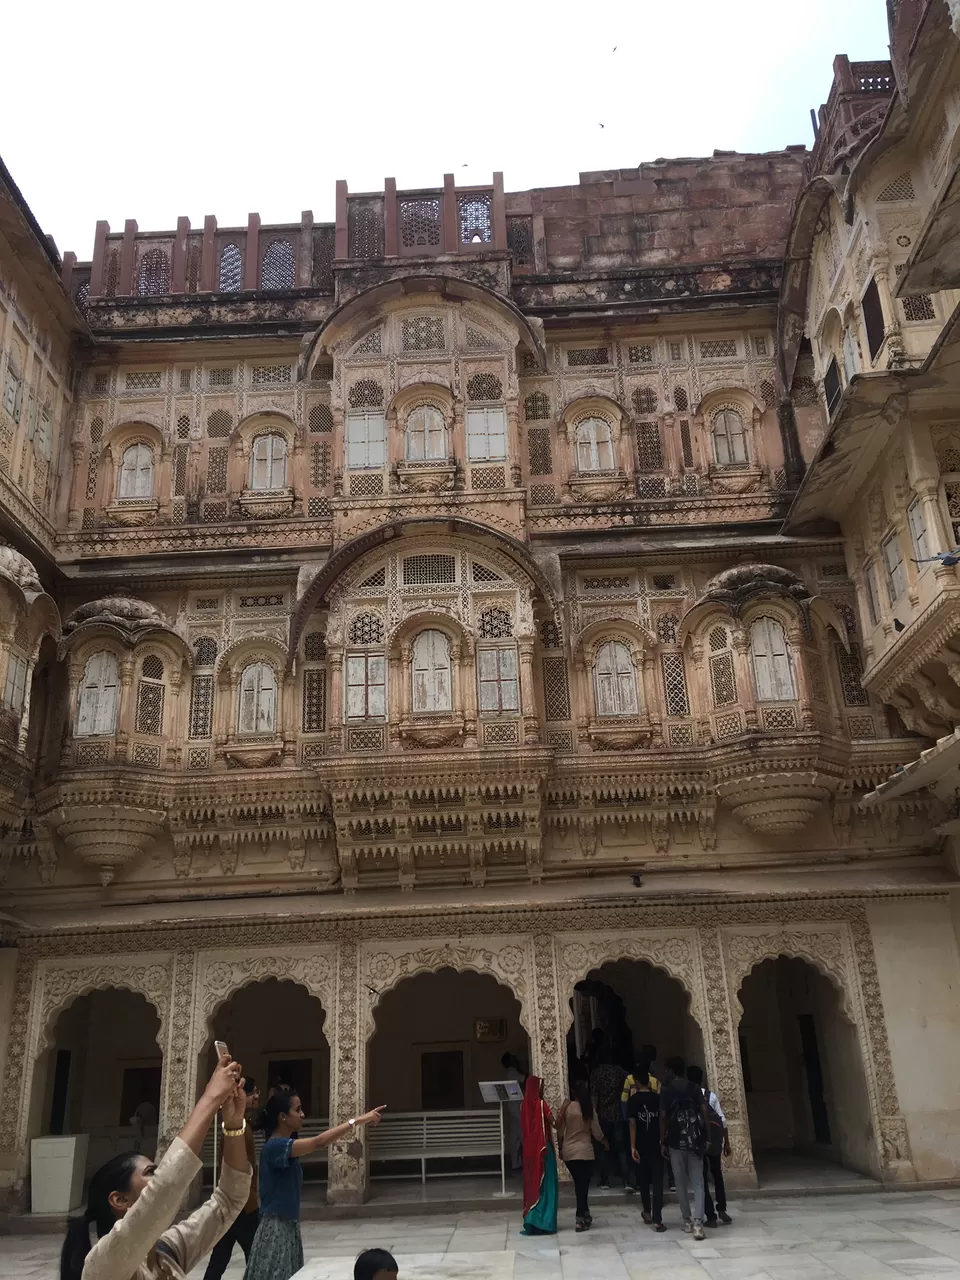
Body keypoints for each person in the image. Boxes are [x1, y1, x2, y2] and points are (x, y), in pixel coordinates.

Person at [60, 1054, 250, 1280]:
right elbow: (166, 1185)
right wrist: (211, 1096)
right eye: (150, 1172)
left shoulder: (166, 1253)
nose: (159, 1174)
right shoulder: (103, 1264)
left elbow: (229, 1199)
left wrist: (234, 1123)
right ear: (120, 1200)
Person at [244, 1093, 385, 1280]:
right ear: (282, 1117)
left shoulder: (285, 1146)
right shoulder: (275, 1147)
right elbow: (319, 1142)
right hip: (275, 1229)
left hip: (288, 1227)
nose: (302, 1114)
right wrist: (359, 1120)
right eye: (297, 1110)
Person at [202, 1077, 261, 1279]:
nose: (257, 1097)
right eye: (254, 1093)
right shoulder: (238, 1128)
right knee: (254, 1257)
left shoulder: (243, 1125)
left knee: (220, 1258)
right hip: (242, 1203)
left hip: (234, 1202)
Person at [659, 1055, 709, 1240]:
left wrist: (661, 1140)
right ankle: (698, 1223)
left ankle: (687, 1220)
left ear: (671, 1071)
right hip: (695, 1140)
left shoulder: (667, 1090)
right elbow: (704, 1111)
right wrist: (707, 1136)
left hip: (675, 1141)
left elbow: (663, 1116)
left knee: (680, 1182)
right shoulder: (694, 1088)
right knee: (698, 1183)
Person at [686, 1065, 732, 1227]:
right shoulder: (710, 1095)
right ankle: (722, 1208)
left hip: (699, 1141)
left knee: (701, 1178)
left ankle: (710, 1215)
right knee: (717, 1174)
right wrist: (726, 1142)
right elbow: (722, 1119)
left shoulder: (690, 1097)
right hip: (714, 1141)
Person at [557, 1078, 605, 1232]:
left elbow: (559, 1131)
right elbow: (597, 1132)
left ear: (573, 1092)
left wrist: (560, 1149)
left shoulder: (567, 1107)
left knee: (579, 1185)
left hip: (570, 1151)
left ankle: (584, 1214)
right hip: (586, 1152)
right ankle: (581, 1216)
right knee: (583, 1186)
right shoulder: (588, 1108)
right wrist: (605, 1142)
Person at [628, 1053, 666, 1232]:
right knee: (657, 1180)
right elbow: (662, 1121)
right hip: (656, 1144)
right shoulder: (657, 1099)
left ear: (636, 1082)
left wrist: (633, 1146)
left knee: (643, 1179)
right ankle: (658, 1218)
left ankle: (647, 1211)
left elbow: (633, 1123)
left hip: (642, 1145)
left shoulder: (633, 1100)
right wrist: (662, 1140)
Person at [589, 1051, 634, 1192]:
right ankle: (627, 1180)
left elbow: (594, 1095)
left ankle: (605, 1180)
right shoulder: (619, 1071)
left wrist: (593, 1114)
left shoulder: (596, 1073)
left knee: (603, 1148)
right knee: (621, 1149)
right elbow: (629, 1084)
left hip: (602, 1116)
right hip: (617, 1114)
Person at [520, 1076, 558, 1235]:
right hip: (543, 1150)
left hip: (529, 1151)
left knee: (532, 1184)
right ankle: (546, 1222)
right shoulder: (542, 1105)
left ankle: (532, 1220)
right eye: (541, 1087)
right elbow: (554, 1122)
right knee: (548, 1185)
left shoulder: (523, 1106)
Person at [501, 1051, 527, 1171]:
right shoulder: (512, 1072)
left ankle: (516, 1163)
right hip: (517, 1106)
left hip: (512, 1106)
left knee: (515, 1135)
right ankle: (525, 1160)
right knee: (522, 1133)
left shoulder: (510, 1072)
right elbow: (525, 1079)